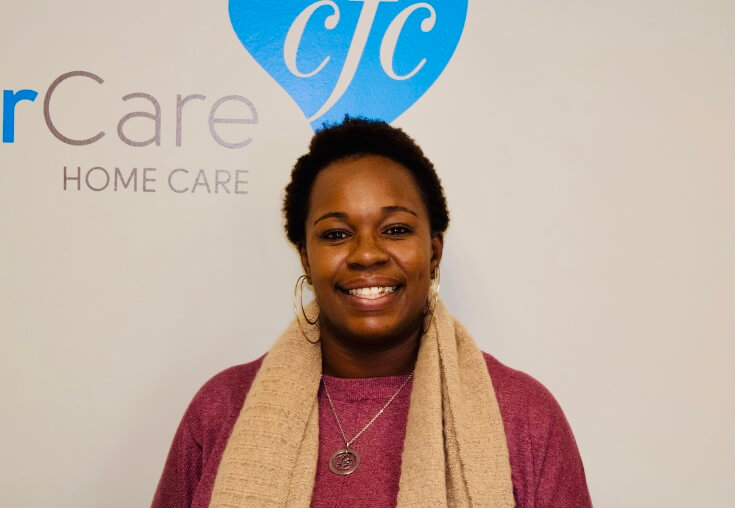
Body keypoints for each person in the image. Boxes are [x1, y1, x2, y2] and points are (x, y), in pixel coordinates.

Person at [152, 117, 592, 507]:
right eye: (337, 233)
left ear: (434, 250)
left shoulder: (524, 415)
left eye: (395, 229)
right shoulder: (221, 409)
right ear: (305, 257)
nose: (366, 254)